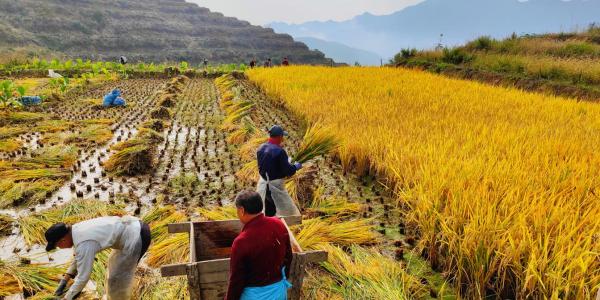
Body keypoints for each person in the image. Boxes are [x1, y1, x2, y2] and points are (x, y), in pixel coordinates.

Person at [45, 216, 151, 300]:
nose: (60, 248)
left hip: (136, 236)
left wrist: (67, 298)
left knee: (118, 281)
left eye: (57, 245)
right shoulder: (76, 230)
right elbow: (78, 257)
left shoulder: (83, 243)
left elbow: (83, 278)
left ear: (63, 240)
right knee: (113, 274)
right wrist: (65, 279)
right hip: (132, 228)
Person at [226, 191, 293, 300]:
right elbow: (288, 256)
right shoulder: (278, 224)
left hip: (255, 296)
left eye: (237, 210)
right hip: (278, 292)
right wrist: (281, 279)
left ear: (242, 210)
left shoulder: (241, 241)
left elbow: (236, 280)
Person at [256, 125, 302, 217]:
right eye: (282, 136)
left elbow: (268, 164)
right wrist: (296, 167)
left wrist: (286, 162)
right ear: (280, 137)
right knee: (286, 210)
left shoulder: (261, 148)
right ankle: (281, 225)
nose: (283, 138)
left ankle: (268, 223)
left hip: (263, 183)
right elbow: (288, 171)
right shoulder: (280, 151)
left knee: (267, 207)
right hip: (275, 186)